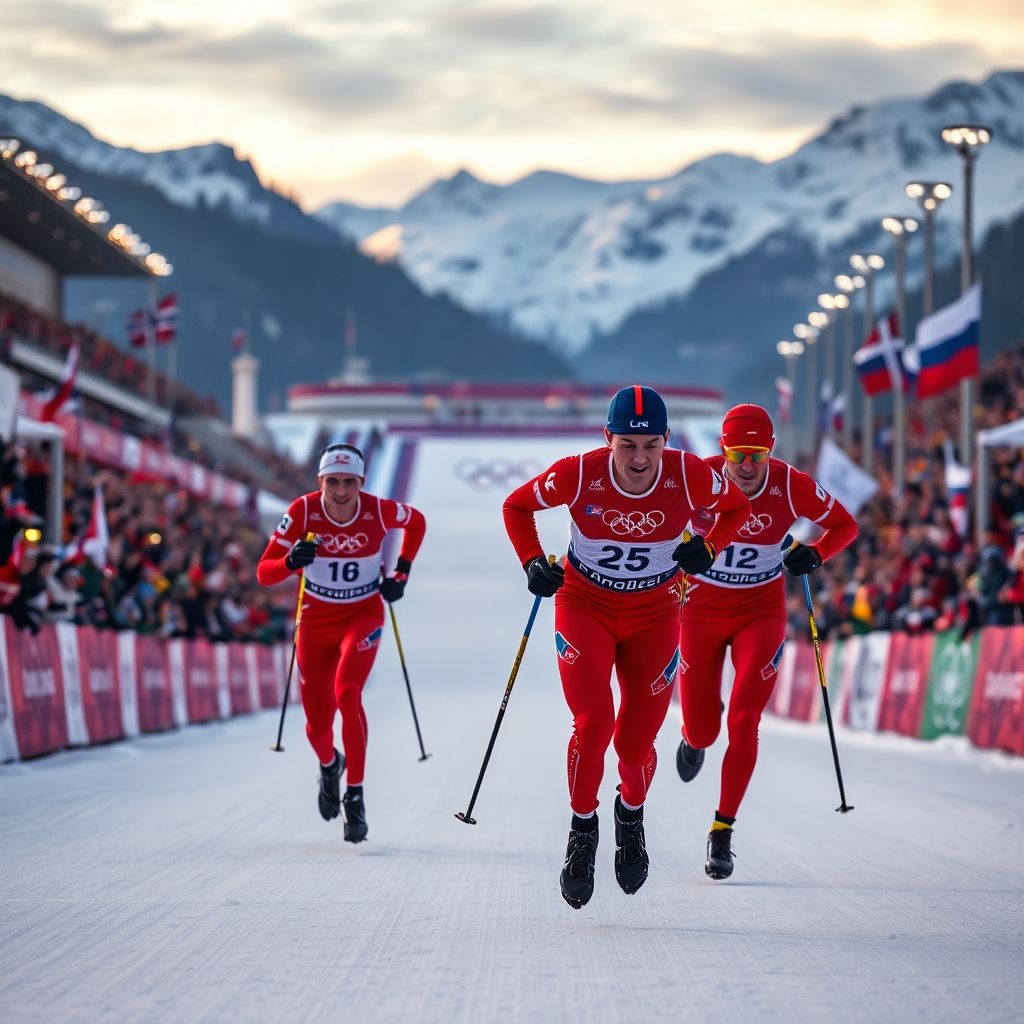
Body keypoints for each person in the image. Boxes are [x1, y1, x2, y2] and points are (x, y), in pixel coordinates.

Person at [502, 385, 751, 908]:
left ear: (667, 440)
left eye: (651, 446)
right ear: (607, 439)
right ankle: (582, 832)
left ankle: (631, 817)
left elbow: (736, 507)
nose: (639, 459)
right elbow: (517, 505)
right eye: (627, 445)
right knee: (594, 724)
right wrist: (532, 562)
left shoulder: (689, 475)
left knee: (635, 747)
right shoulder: (578, 473)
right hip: (584, 604)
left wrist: (710, 547)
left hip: (654, 614)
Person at [676, 404, 858, 880]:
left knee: (744, 720)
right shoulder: (698, 477)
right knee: (704, 730)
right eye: (737, 454)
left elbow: (846, 525)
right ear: (723, 450)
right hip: (700, 610)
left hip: (760, 609)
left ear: (770, 450)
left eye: (757, 455)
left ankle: (722, 829)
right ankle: (693, 737)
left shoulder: (791, 484)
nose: (747, 466)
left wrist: (816, 553)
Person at [257, 443, 426, 843]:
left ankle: (356, 796)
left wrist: (401, 573)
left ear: (362, 482)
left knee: (348, 694)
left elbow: (417, 522)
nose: (341, 492)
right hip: (316, 620)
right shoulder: (302, 511)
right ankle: (331, 764)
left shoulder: (378, 510)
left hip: (362, 614)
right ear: (320, 481)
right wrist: (291, 562)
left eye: (349, 482)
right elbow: (264, 572)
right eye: (332, 482)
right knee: (317, 727)